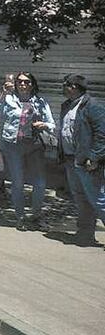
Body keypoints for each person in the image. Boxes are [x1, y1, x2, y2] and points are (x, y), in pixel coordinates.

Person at [0, 71, 55, 230]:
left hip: (34, 146)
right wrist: (3, 94)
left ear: (32, 85)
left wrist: (44, 125)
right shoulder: (8, 99)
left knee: (40, 184)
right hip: (13, 146)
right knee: (18, 183)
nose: (23, 84)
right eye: (20, 82)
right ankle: (20, 217)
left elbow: (52, 124)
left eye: (27, 82)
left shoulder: (40, 102)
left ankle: (36, 215)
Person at [56, 74, 105, 246]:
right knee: (80, 198)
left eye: (66, 85)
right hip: (71, 160)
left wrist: (95, 157)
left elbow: (102, 135)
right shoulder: (67, 105)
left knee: (98, 198)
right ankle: (85, 234)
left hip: (88, 162)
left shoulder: (92, 106)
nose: (63, 88)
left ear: (74, 87)